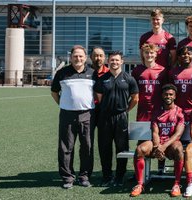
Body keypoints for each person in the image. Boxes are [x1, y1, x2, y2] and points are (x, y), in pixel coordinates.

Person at [51, 45, 96, 189]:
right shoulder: (62, 73)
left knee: (87, 147)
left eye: (81, 56)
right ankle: (67, 177)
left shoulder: (92, 73)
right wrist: (65, 104)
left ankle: (84, 176)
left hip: (87, 114)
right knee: (65, 147)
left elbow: (97, 94)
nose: (78, 58)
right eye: (75, 56)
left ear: (85, 57)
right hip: (67, 115)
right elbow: (54, 92)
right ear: (70, 58)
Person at [130, 84, 185, 197]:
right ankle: (140, 184)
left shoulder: (179, 111)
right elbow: (155, 131)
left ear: (175, 96)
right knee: (140, 149)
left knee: (179, 148)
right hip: (157, 142)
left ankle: (176, 184)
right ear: (162, 95)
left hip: (170, 143)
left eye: (171, 94)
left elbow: (178, 134)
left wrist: (163, 147)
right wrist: (157, 146)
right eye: (166, 94)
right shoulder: (156, 111)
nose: (168, 96)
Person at [94, 51, 138, 187]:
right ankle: (107, 176)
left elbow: (135, 98)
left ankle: (119, 176)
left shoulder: (129, 78)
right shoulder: (102, 79)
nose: (114, 62)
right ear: (108, 61)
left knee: (122, 148)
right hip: (105, 118)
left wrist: (125, 110)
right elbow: (99, 98)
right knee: (105, 148)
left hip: (121, 118)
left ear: (122, 62)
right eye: (112, 60)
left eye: (117, 60)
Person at [132, 43, 168, 121]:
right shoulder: (137, 70)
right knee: (142, 131)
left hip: (158, 106)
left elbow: (166, 89)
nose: (149, 55)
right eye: (146, 52)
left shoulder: (162, 70)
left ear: (156, 54)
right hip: (142, 108)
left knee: (158, 132)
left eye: (151, 52)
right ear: (143, 54)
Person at [169, 46, 192, 118]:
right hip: (177, 111)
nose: (186, 55)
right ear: (179, 57)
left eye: (189, 54)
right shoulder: (172, 72)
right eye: (183, 54)